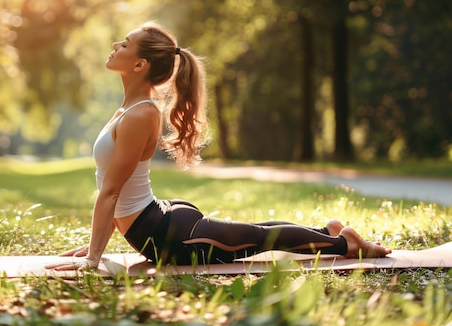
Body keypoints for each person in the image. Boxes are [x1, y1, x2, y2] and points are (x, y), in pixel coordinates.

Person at [49, 22, 391, 271]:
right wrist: (94, 247)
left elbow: (111, 192)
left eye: (124, 44)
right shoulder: (127, 111)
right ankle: (327, 233)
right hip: (160, 223)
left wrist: (94, 258)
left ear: (140, 65)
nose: (115, 44)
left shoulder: (141, 115)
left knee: (259, 239)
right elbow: (115, 189)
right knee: (256, 233)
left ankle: (344, 244)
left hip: (169, 236)